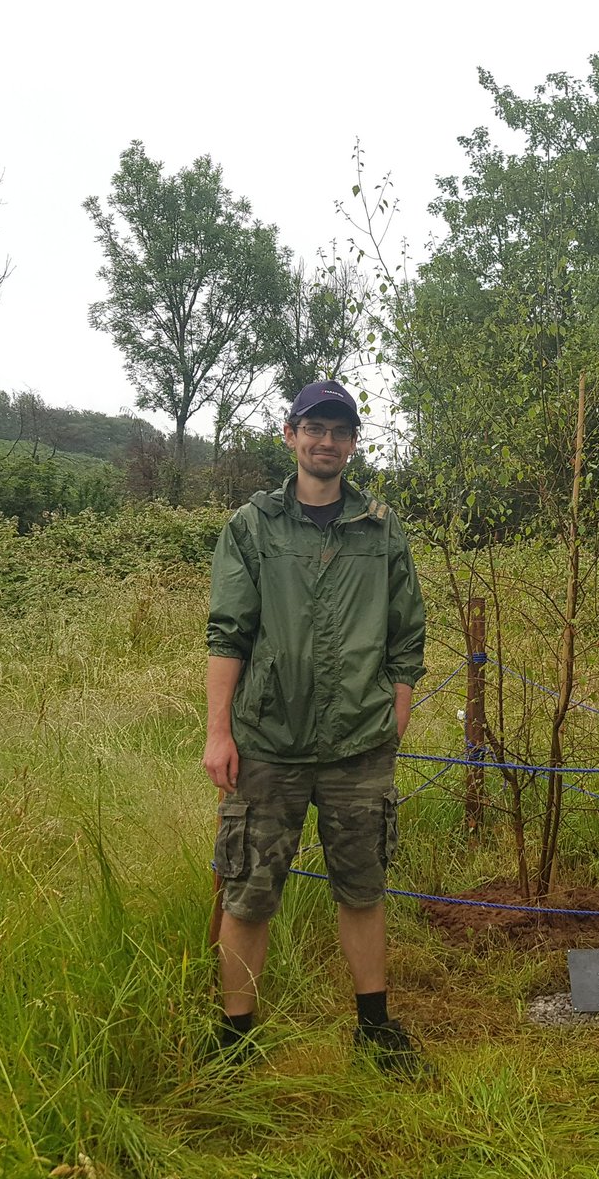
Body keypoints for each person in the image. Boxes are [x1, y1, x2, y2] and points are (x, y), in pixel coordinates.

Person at [203, 380, 427, 1072]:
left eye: (340, 430)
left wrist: (398, 706)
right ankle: (236, 1039)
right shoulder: (254, 526)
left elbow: (406, 631)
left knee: (362, 887)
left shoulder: (380, 527)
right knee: (249, 889)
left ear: (353, 443)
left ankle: (375, 1028)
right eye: (314, 428)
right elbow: (227, 632)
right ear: (291, 435)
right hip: (268, 741)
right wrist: (219, 731)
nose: (327, 441)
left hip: (359, 745)